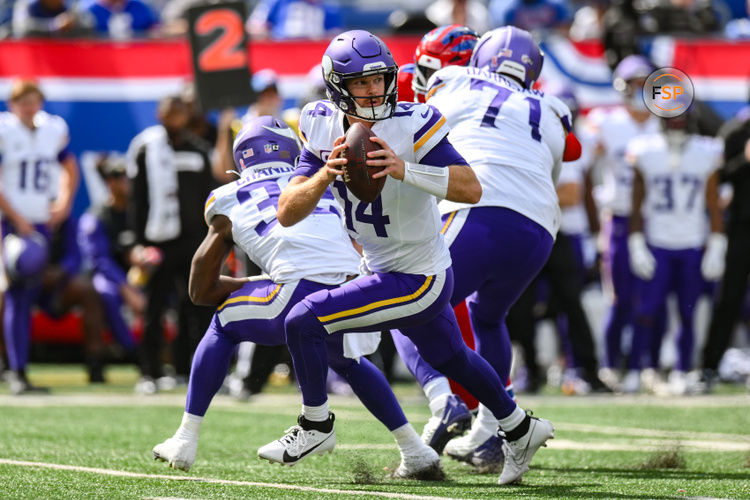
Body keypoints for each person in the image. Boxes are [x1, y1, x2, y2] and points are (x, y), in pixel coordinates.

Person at [258, 30, 553, 486]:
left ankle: (316, 425)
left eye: (380, 79)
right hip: (381, 264)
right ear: (338, 86)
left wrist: (404, 169)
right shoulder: (318, 120)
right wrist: (324, 175)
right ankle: (520, 427)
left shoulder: (416, 120)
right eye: (361, 82)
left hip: (419, 273)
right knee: (452, 357)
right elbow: (287, 211)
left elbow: (471, 187)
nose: (374, 90)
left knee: (303, 320)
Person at [152, 116, 442, 479]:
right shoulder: (315, 181)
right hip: (352, 286)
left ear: (241, 159)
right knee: (345, 357)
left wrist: (250, 282)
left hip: (295, 291)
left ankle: (185, 437)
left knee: (223, 322)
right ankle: (415, 450)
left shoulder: (226, 197)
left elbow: (200, 289)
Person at [392, 27, 574, 470]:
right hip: (539, 228)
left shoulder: (453, 80)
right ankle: (493, 434)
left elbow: (421, 133)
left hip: (480, 206)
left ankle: (443, 402)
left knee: (402, 302)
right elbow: (560, 158)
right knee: (488, 317)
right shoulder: (552, 106)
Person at [627, 112, 724, 395]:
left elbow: (713, 202)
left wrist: (717, 243)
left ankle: (681, 370)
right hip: (658, 241)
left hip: (692, 242)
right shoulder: (644, 150)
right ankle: (640, 368)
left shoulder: (706, 152)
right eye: (672, 119)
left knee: (687, 312)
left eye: (682, 118)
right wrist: (636, 241)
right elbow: (637, 200)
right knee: (646, 311)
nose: (677, 124)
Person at [581, 55, 662, 392]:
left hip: (656, 220)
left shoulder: (664, 121)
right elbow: (583, 166)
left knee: (653, 298)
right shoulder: (606, 122)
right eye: (634, 83)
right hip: (619, 217)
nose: (640, 90)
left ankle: (647, 365)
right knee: (619, 297)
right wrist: (593, 222)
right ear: (621, 86)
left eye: (645, 83)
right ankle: (612, 365)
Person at [127, 94, 215, 394]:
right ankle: (149, 372)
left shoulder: (198, 149)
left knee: (196, 307)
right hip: (158, 242)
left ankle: (194, 371)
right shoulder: (145, 148)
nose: (174, 117)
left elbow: (209, 198)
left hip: (192, 242)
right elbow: (137, 201)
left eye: (180, 112)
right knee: (154, 308)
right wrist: (137, 243)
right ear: (159, 114)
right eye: (169, 111)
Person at [0, 79, 79, 394]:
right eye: (22, 102)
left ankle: (18, 369)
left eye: (33, 101)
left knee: (27, 292)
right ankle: (16, 370)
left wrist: (64, 201)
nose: (28, 107)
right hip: (11, 223)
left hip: (39, 224)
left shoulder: (51, 129)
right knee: (18, 293)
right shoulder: (6, 131)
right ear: (12, 104)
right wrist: (18, 220)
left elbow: (69, 164)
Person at [699, 106, 750, 391]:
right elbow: (720, 178)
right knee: (729, 298)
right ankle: (709, 364)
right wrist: (744, 158)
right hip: (743, 228)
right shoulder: (735, 131)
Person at [78, 154, 146, 362]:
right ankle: (132, 351)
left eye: (127, 177)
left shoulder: (139, 212)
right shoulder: (96, 217)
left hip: (140, 275)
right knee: (106, 291)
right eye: (117, 177)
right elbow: (100, 261)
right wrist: (127, 288)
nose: (124, 182)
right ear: (108, 182)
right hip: (111, 278)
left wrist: (146, 259)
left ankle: (165, 352)